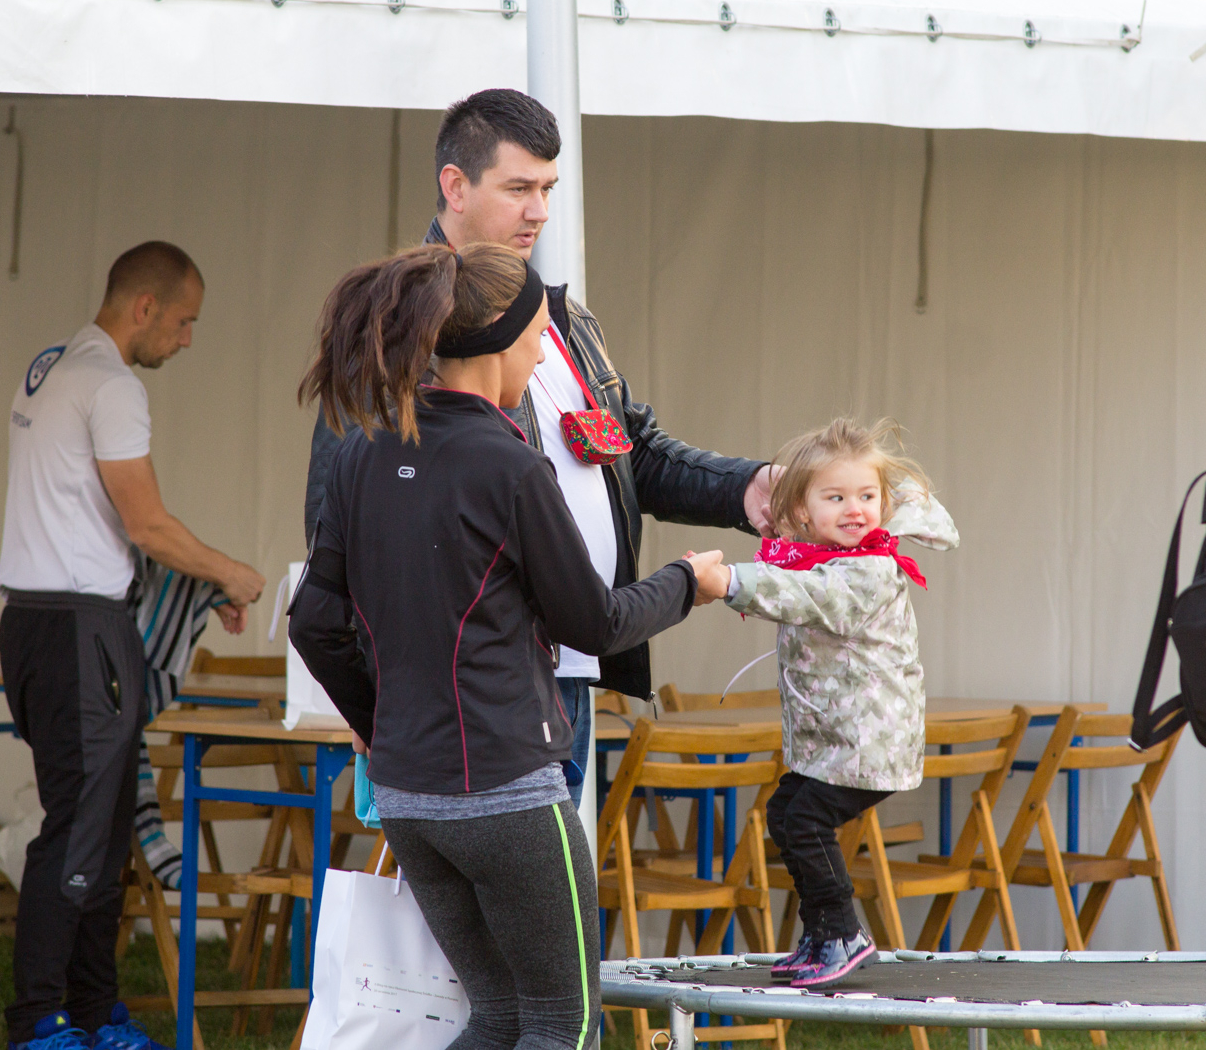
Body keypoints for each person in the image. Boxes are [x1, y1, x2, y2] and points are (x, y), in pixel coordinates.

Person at [290, 242, 727, 1050]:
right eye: (537, 337)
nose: (543, 351)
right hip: (509, 794)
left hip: (411, 800)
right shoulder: (512, 466)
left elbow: (314, 622)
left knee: (496, 1017)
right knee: (563, 1023)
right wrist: (685, 581)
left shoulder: (360, 451)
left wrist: (384, 725)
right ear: (500, 337)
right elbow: (592, 623)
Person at [303, 88, 775, 805]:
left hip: (567, 676)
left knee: (542, 911)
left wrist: (749, 489)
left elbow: (627, 452)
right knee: (502, 914)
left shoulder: (562, 315)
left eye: (548, 189)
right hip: (458, 702)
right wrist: (378, 709)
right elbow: (336, 527)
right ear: (454, 186)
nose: (540, 212)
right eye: (519, 188)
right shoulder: (396, 323)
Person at [0, 241, 266, 1050]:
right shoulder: (111, 384)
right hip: (81, 630)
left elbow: (94, 516)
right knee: (80, 830)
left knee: (105, 829)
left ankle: (93, 1012)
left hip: (38, 622)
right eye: (184, 322)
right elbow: (143, 523)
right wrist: (233, 573)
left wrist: (198, 579)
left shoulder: (49, 366)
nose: (187, 340)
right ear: (143, 307)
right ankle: (38, 1023)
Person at [692, 417, 958, 989]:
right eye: (835, 497)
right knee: (786, 812)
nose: (854, 509)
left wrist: (729, 583)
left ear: (884, 503)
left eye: (867, 496)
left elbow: (806, 596)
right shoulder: (814, 556)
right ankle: (819, 934)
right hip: (838, 740)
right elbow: (796, 578)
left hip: (871, 740)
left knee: (807, 819)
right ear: (803, 511)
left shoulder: (868, 570)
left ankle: (843, 934)